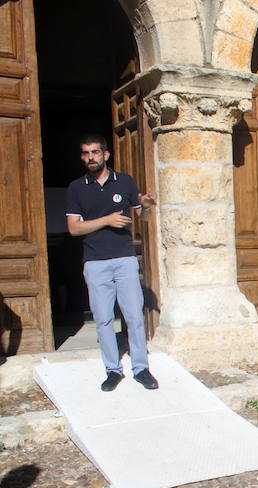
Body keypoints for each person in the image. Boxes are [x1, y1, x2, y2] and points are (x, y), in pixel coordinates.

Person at [66, 134, 158, 392]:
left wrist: (147, 206)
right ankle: (113, 371)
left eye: (95, 152)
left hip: (125, 259)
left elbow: (144, 217)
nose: (90, 157)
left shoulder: (125, 182)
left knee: (133, 315)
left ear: (106, 155)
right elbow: (73, 228)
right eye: (86, 153)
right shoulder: (77, 188)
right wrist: (106, 220)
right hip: (95, 262)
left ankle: (141, 368)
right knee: (104, 318)